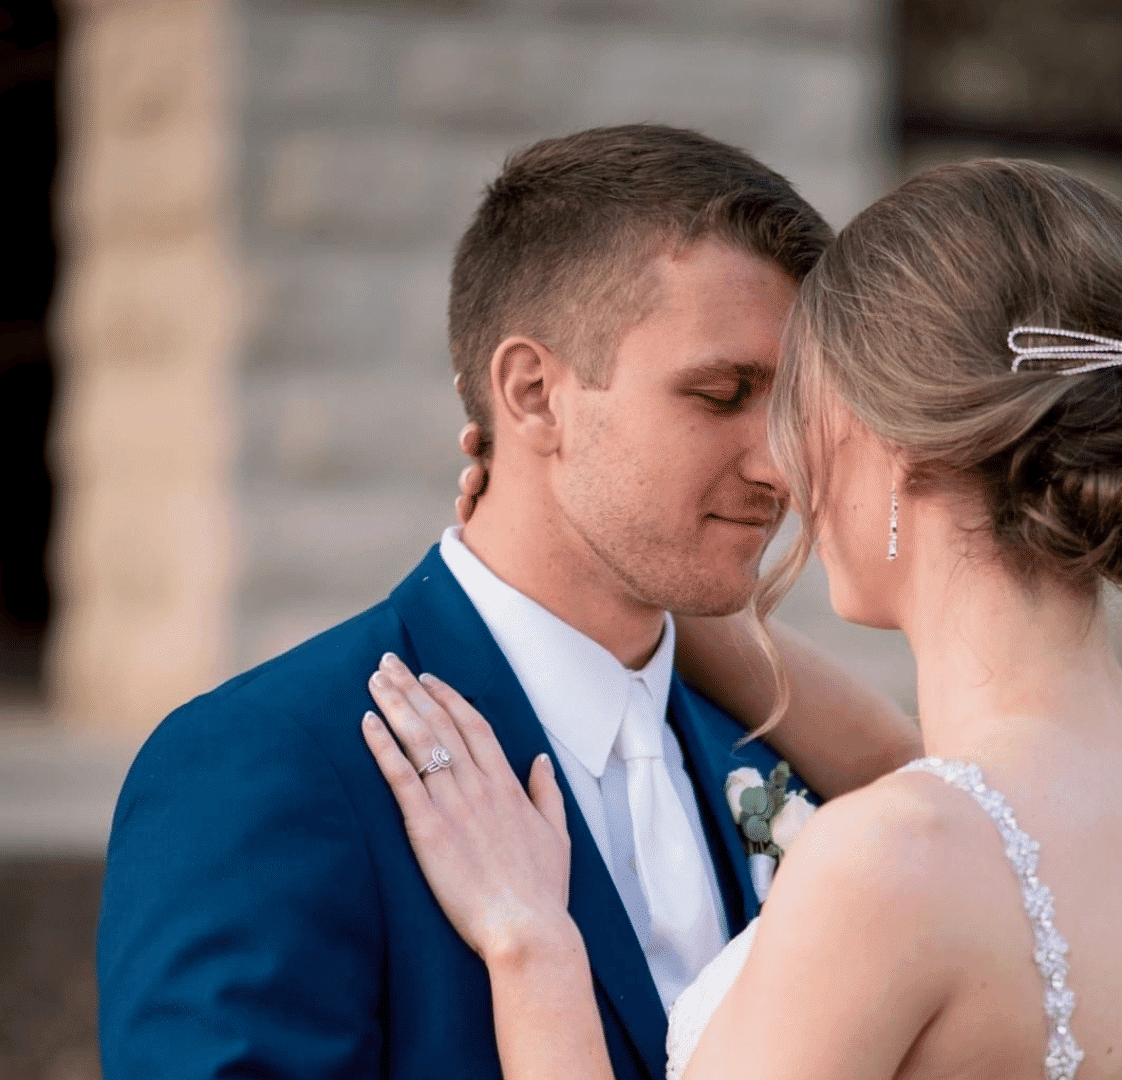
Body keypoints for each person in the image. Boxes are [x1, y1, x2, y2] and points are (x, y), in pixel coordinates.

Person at [362, 158, 1122, 1080]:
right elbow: (915, 768)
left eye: (804, 406)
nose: (785, 469)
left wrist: (532, 945)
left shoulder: (892, 860)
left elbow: (928, 818)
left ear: (900, 444)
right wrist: (573, 546)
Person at [96, 124, 919, 1080]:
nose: (781, 467)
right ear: (533, 393)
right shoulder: (267, 766)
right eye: (722, 393)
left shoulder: (782, 766)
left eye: (793, 409)